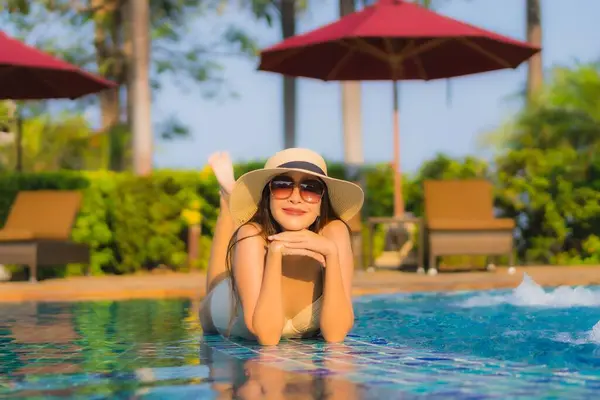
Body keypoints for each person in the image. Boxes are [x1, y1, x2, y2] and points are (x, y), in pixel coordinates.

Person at [199, 148, 364, 346]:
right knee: (216, 288)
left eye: (310, 188)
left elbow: (336, 335)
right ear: (268, 195)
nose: (296, 197)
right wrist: (275, 253)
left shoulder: (334, 233)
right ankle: (227, 202)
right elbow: (267, 338)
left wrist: (331, 253)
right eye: (283, 185)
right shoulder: (252, 235)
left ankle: (231, 195)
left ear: (322, 201)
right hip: (227, 309)